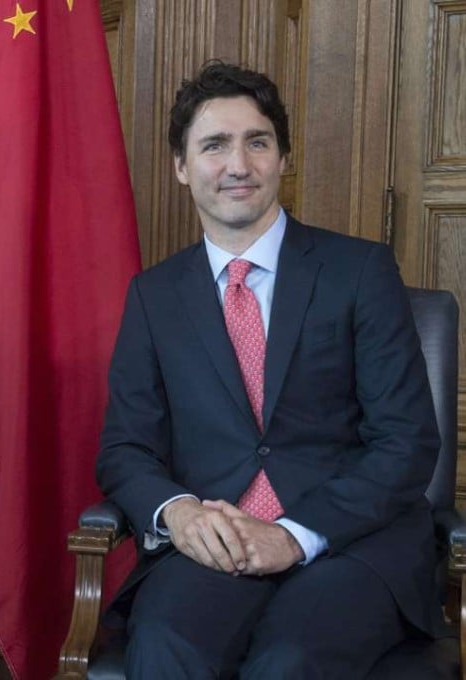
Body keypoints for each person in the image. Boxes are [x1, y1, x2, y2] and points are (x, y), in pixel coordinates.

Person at [96, 61, 446, 677]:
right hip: (215, 543)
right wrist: (179, 513)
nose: (238, 165)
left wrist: (293, 534)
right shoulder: (154, 296)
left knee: (288, 661)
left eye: (257, 142)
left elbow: (408, 440)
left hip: (347, 545)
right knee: (166, 648)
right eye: (214, 145)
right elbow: (126, 448)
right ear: (182, 167)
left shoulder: (359, 272)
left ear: (283, 157)